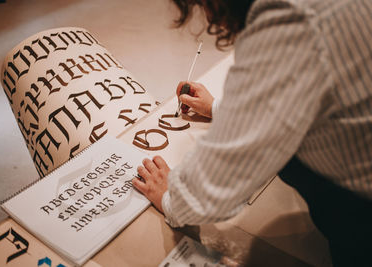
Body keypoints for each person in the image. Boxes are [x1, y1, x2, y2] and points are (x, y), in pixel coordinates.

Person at [132, 0, 372, 266]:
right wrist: (220, 108)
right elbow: (303, 94)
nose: (210, 18)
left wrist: (172, 198)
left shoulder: (288, 22)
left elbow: (220, 180)